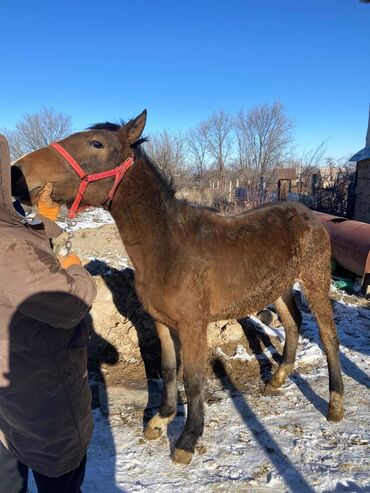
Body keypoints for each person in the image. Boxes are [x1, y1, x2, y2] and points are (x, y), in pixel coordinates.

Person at [0, 134, 97, 493]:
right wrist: (75, 268)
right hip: (39, 401)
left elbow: (19, 269)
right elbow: (70, 303)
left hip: (9, 407)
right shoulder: (9, 247)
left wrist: (44, 221)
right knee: (61, 480)